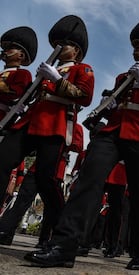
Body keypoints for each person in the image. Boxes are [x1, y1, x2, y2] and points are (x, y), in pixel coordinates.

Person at [24, 15, 139, 270]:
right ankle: (64, 245)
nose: (137, 49)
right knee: (87, 182)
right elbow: (112, 106)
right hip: (113, 131)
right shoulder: (121, 77)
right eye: (136, 44)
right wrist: (107, 109)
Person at [0, 14, 93, 251]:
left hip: (54, 124)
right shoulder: (48, 68)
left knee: (46, 181)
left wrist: (57, 80)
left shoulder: (83, 69)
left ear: (77, 51)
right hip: (30, 122)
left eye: (67, 44)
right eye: (58, 43)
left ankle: (55, 232)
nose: (60, 48)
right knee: (2, 162)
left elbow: (84, 96)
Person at [0, 123, 84, 247]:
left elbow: (77, 146)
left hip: (55, 170)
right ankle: (6, 231)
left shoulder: (74, 126)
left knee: (51, 207)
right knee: (21, 201)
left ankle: (47, 239)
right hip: (36, 168)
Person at [0, 26, 37, 201]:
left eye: (10, 48)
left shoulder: (22, 74)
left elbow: (15, 95)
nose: (5, 51)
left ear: (21, 55)